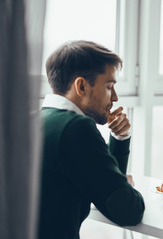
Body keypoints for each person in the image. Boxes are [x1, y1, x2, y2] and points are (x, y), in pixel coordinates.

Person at [38, 40, 145, 239]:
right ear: (81, 86)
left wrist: (119, 139)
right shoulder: (76, 128)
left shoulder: (36, 121)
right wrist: (128, 186)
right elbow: (128, 210)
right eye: (109, 86)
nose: (114, 98)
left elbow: (105, 193)